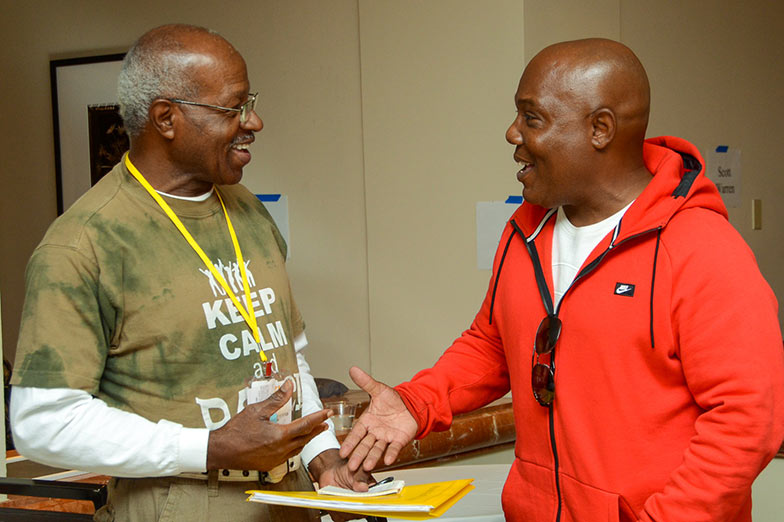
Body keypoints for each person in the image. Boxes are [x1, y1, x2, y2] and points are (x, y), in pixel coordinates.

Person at [340, 38, 784, 521]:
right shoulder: (525, 231)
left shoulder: (701, 248)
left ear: (600, 129)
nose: (512, 133)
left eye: (532, 118)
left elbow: (747, 419)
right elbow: (492, 344)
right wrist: (415, 404)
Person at [10, 24, 369, 521]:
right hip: (179, 502)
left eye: (250, 103)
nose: (254, 121)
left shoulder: (246, 209)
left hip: (289, 498)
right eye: (234, 108)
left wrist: (322, 457)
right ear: (166, 118)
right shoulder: (85, 243)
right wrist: (208, 447)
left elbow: (288, 359)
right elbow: (43, 423)